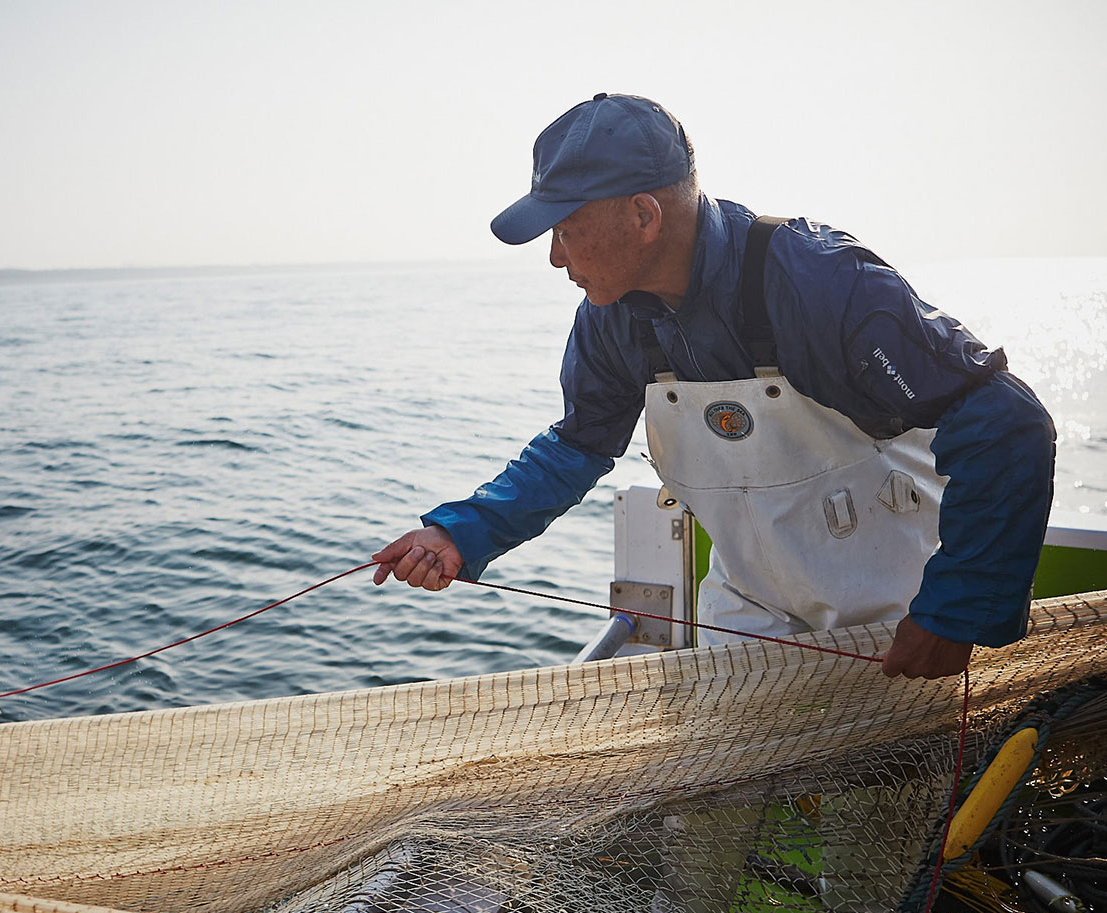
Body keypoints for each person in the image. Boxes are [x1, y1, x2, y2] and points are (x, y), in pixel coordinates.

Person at [372, 93, 1055, 680]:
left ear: (644, 216)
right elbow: (578, 446)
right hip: (747, 609)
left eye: (567, 230)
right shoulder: (610, 318)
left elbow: (1008, 424)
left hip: (894, 606)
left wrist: (954, 611)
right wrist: (462, 532)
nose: (554, 257)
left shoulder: (819, 281)